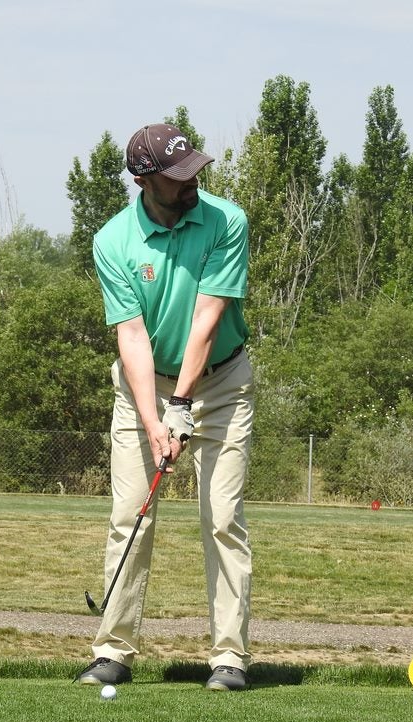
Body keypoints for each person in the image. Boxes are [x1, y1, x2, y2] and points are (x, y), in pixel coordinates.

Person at [77, 123, 254, 692]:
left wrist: (182, 404)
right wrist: (156, 419)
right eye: (178, 177)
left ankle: (229, 658)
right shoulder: (113, 241)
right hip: (142, 388)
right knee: (132, 513)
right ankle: (112, 651)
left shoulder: (227, 221)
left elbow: (208, 317)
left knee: (221, 518)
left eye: (194, 170)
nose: (191, 183)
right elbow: (131, 336)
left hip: (222, 383)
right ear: (143, 180)